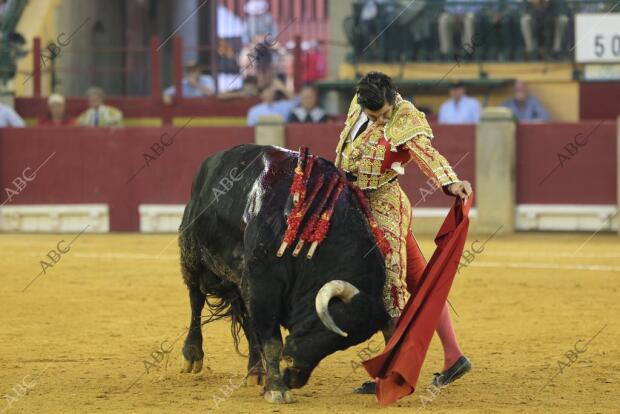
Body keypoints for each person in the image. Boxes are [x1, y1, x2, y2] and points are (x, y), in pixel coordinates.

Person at [335, 72, 472, 394]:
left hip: (384, 205)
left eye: (384, 114)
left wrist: (450, 182)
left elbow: (426, 154)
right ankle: (454, 356)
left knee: (392, 285)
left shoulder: (405, 116)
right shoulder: (360, 103)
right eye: (374, 117)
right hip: (352, 200)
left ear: (393, 98)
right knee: (422, 283)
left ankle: (391, 372)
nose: (381, 121)